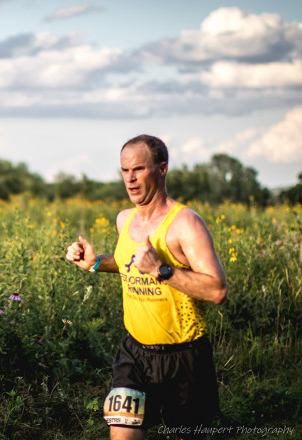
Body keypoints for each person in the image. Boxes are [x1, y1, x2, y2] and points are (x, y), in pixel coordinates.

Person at [65, 134, 227, 440]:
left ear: (162, 168)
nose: (130, 178)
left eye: (139, 169)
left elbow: (217, 290)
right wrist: (96, 262)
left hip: (185, 358)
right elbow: (129, 262)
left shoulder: (186, 224)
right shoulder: (124, 219)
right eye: (125, 170)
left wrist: (162, 270)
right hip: (134, 353)